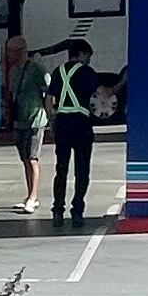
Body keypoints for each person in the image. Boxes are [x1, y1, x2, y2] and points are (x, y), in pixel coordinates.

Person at [48, 38, 98, 226]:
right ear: (81, 54)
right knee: (82, 170)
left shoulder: (57, 72)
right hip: (81, 123)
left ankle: (57, 211)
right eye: (88, 56)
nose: (89, 60)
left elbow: (49, 98)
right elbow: (101, 94)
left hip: (62, 123)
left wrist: (51, 119)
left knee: (61, 169)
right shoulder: (87, 72)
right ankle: (77, 211)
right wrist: (120, 84)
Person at [4, 30, 51, 211]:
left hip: (35, 119)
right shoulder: (13, 71)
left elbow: (48, 92)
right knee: (24, 158)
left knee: (32, 158)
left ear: (20, 51)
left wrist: (48, 117)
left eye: (10, 51)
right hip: (19, 119)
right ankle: (30, 194)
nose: (8, 55)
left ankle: (33, 197)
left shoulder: (37, 70)